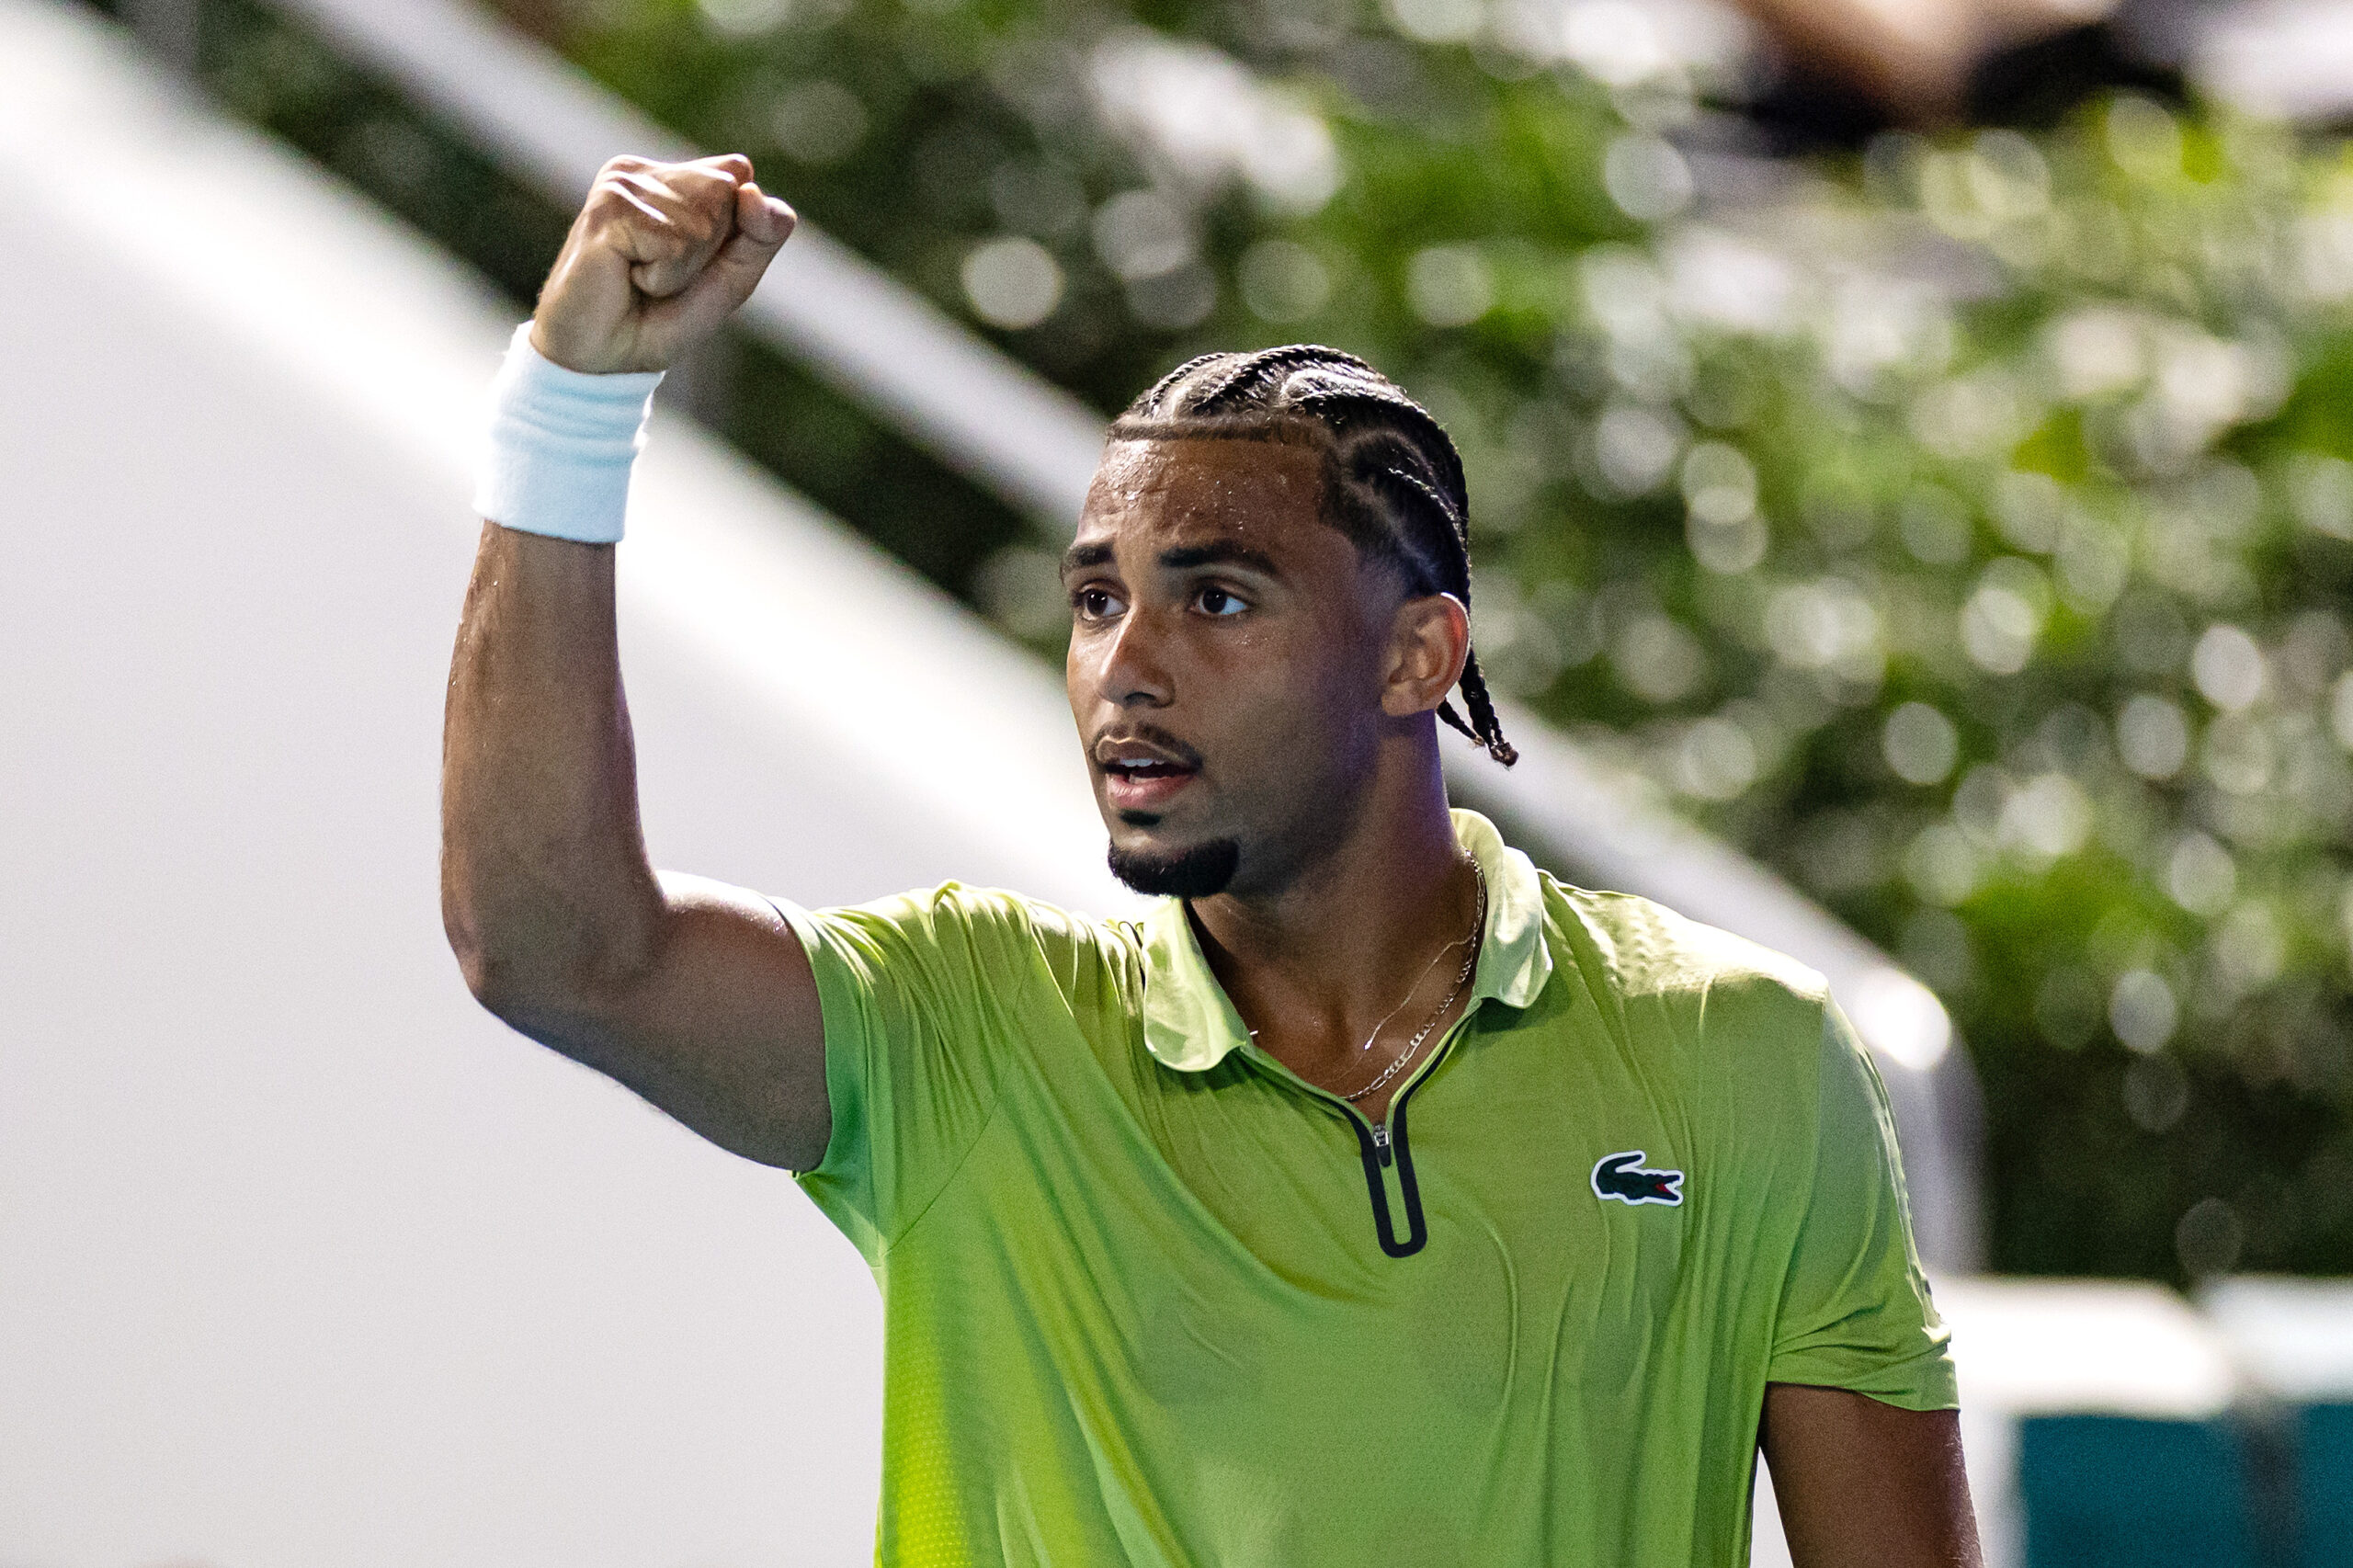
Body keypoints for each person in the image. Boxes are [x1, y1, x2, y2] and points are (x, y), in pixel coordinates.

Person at [440, 153, 1982, 1567]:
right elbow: (554, 943)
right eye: (1098, 600)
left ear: (1415, 657)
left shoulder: (1745, 1060)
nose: (1130, 665)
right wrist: (571, 402)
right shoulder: (966, 1028)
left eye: (1219, 599)